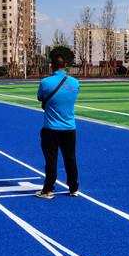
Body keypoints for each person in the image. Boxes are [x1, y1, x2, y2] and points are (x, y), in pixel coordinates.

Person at [36, 52, 80, 199]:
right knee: (70, 158)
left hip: (51, 128)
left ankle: (48, 189)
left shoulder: (45, 82)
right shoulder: (75, 82)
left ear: (51, 66)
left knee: (51, 160)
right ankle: (73, 188)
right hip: (69, 127)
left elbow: (40, 97)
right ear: (65, 65)